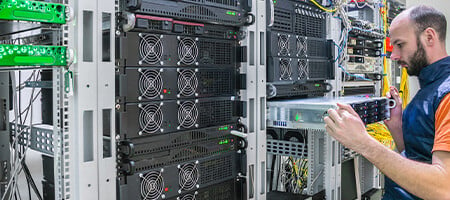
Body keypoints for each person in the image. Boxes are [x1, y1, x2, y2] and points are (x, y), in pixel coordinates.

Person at [324, 5, 450, 199]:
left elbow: (443, 189)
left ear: (429, 37)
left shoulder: (446, 94)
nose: (394, 56)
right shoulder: (431, 87)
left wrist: (363, 143)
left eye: (400, 45)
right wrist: (397, 127)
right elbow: (420, 156)